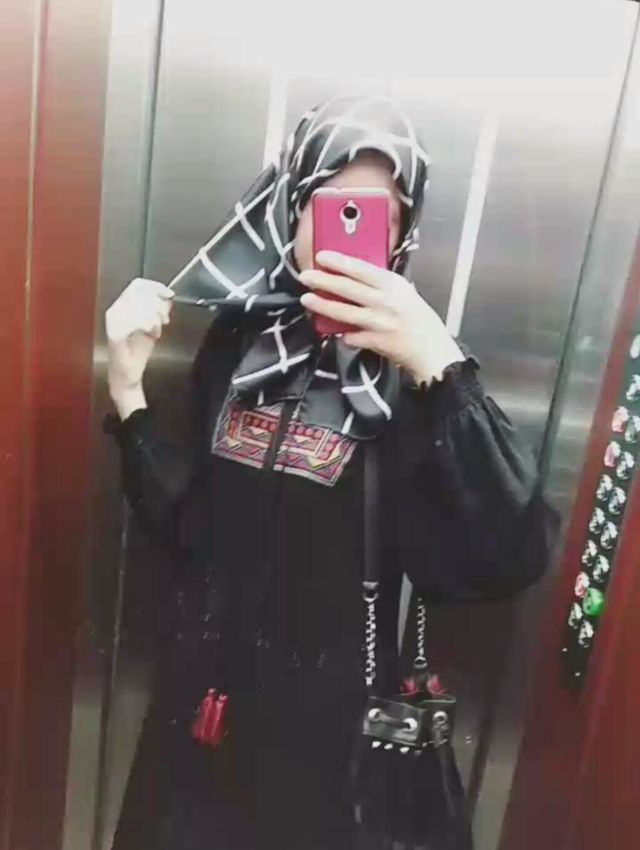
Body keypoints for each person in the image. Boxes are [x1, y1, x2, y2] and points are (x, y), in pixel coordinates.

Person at [105, 96, 556, 850]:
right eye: (332, 201)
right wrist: (128, 395)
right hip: (201, 719)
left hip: (330, 753)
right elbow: (193, 524)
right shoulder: (238, 343)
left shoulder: (418, 380)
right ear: (292, 204)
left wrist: (441, 366)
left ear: (404, 232)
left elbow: (509, 554)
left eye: (382, 212)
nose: (349, 229)